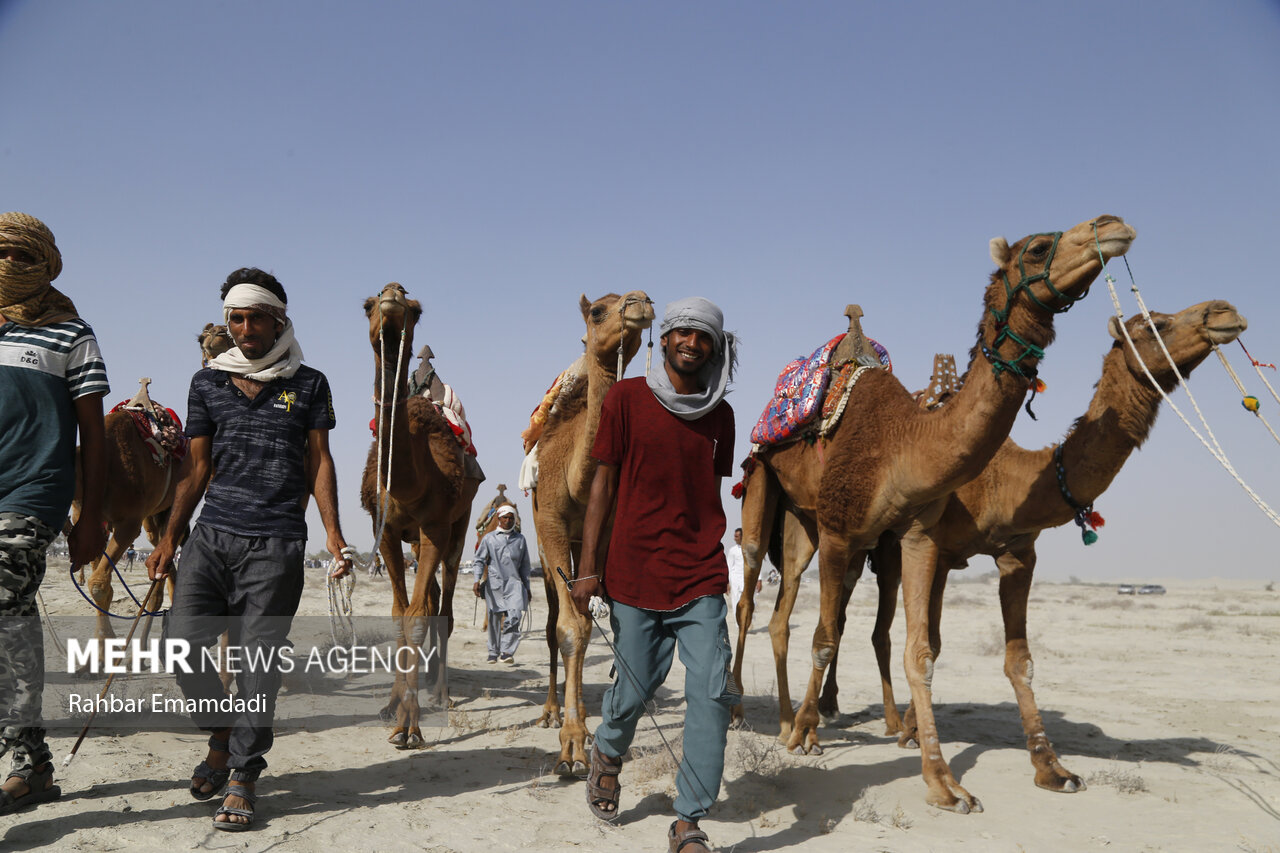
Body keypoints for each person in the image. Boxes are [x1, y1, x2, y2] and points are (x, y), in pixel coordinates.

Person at [146, 267, 354, 832]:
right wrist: (169, 537)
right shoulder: (207, 381)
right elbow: (196, 467)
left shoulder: (309, 383)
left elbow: (319, 462)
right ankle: (220, 733)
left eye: (254, 317)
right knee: (180, 640)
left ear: (278, 319)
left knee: (258, 662)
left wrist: (333, 533)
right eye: (234, 319)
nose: (243, 329)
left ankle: (242, 773)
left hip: (278, 539)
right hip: (212, 535)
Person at [571, 296, 737, 853]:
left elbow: (705, 492)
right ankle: (608, 753)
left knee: (713, 690)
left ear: (715, 347)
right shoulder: (625, 399)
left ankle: (688, 820)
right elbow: (602, 486)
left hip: (700, 572)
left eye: (704, 337)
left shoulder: (721, 415)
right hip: (634, 570)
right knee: (636, 687)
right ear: (663, 341)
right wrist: (588, 568)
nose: (692, 343)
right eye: (683, 333)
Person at [0, 212, 109, 815]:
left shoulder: (71, 333)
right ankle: (33, 762)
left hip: (34, 490)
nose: (12, 266)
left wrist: (90, 516)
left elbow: (92, 435)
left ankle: (22, 761)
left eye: (24, 257)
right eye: (3, 255)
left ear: (44, 264)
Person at [472, 505, 532, 664]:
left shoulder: (520, 540)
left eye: (511, 518)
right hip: (494, 584)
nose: (508, 520)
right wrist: (476, 580)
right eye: (505, 517)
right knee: (494, 619)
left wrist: (527, 587)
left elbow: (525, 565)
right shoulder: (489, 538)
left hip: (515, 584)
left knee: (515, 616)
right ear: (499, 519)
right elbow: (479, 560)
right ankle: (493, 652)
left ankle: (507, 651)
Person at [725, 527, 760, 607]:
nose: (734, 538)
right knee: (736, 603)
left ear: (742, 537)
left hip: (749, 579)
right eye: (734, 536)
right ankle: (737, 619)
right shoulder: (732, 551)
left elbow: (756, 563)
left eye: (736, 536)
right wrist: (727, 583)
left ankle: (749, 619)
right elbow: (728, 567)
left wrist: (759, 579)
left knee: (750, 603)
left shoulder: (750, 549)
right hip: (735, 581)